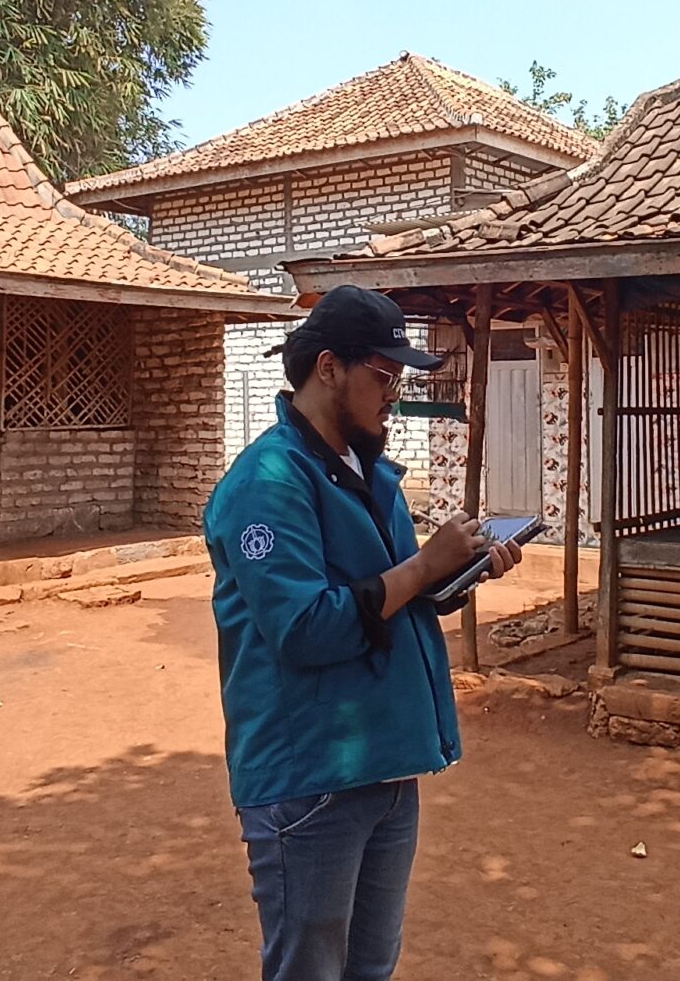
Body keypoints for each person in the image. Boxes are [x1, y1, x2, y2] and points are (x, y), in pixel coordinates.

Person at [204, 284, 522, 981]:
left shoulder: (362, 468)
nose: (393, 393)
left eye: (399, 378)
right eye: (382, 375)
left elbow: (391, 594)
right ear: (328, 368)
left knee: (370, 967)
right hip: (310, 774)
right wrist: (422, 566)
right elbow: (307, 628)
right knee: (311, 970)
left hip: (381, 761)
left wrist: (454, 573)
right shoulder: (269, 482)